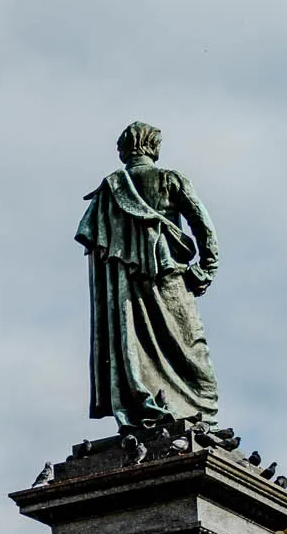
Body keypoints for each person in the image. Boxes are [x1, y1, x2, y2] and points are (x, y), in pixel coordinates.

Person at [76, 120, 220, 432]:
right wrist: (206, 268)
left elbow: (96, 251)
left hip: (124, 292)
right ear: (152, 147)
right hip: (167, 277)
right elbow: (203, 225)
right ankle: (197, 411)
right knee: (191, 349)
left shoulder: (108, 191)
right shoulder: (169, 179)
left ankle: (145, 403)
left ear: (124, 150)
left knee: (134, 344)